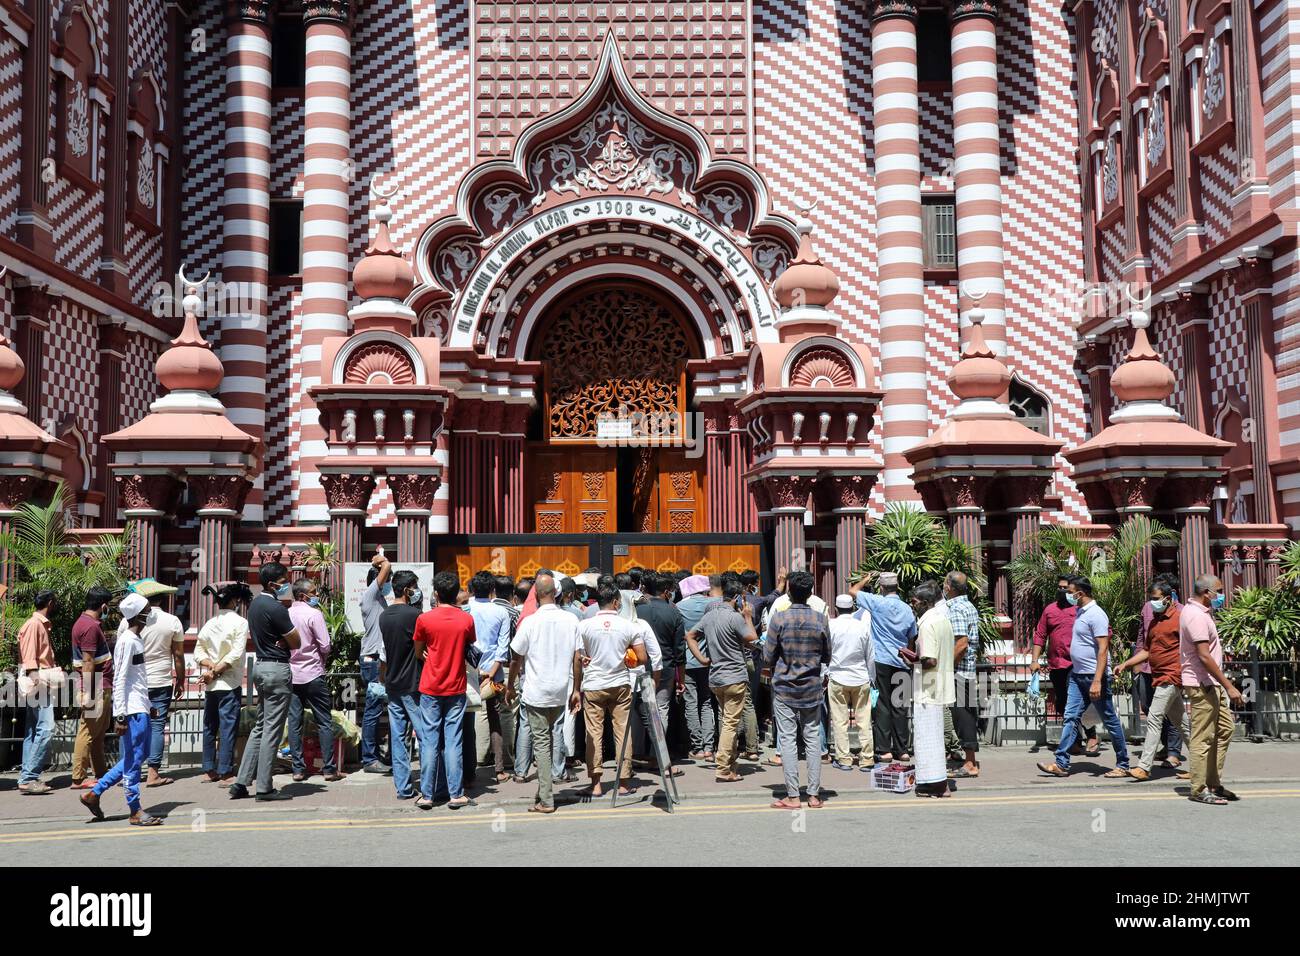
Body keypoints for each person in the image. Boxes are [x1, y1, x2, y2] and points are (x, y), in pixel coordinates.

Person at [80, 594, 162, 826]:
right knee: (134, 761)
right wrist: (121, 715)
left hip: (140, 707)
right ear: (138, 614)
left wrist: (149, 706)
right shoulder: (127, 641)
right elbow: (121, 679)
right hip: (132, 711)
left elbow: (138, 680)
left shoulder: (136, 639)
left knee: (136, 757)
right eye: (147, 609)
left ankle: (94, 793)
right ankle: (134, 810)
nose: (151, 612)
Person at [1037, 576, 1129, 779]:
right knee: (1070, 717)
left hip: (1093, 677)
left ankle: (1122, 764)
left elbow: (1103, 648)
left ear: (1080, 593)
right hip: (1077, 676)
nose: (1067, 595)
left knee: (1110, 720)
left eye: (1070, 592)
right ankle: (1061, 763)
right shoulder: (1080, 612)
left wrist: (1097, 680)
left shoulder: (1096, 614)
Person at [506, 572, 583, 814]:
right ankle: (544, 790)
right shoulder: (570, 620)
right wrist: (577, 690)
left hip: (536, 690)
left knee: (541, 743)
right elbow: (578, 658)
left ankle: (546, 799)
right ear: (557, 594)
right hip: (561, 689)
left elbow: (516, 659)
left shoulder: (529, 621)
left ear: (536, 594)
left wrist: (510, 686)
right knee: (553, 735)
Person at [230, 561, 301, 801]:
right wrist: (286, 640)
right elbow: (296, 641)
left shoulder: (255, 605)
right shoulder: (276, 607)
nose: (286, 586)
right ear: (272, 584)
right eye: (284, 582)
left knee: (260, 726)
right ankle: (264, 787)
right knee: (272, 729)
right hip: (276, 668)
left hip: (259, 666)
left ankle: (241, 782)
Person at [763, 571, 831, 809]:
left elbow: (768, 656)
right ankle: (813, 795)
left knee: (788, 740)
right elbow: (827, 655)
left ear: (789, 592)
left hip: (784, 687)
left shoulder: (779, 619)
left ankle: (793, 796)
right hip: (812, 687)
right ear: (811, 593)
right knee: (813, 740)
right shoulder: (820, 619)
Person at [576, 582, 648, 797]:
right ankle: (624, 782)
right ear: (616, 602)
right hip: (620, 684)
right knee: (622, 732)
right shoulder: (629, 626)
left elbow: (578, 658)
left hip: (593, 685)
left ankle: (596, 784)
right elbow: (643, 658)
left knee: (594, 734)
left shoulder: (584, 625)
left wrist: (576, 687)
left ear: (598, 603)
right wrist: (627, 658)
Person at [414, 570, 479, 809]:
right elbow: (469, 645)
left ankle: (427, 795)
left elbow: (418, 651)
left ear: (437, 593)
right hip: (456, 686)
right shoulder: (466, 619)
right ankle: (456, 793)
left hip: (430, 686)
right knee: (453, 741)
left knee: (430, 742)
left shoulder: (425, 619)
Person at [1180, 574, 1244, 806]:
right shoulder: (1196, 616)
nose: (1221, 595)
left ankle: (1213, 782)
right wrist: (1230, 686)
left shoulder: (1201, 613)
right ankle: (1198, 788)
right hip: (1202, 683)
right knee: (1202, 737)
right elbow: (1204, 656)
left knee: (1225, 728)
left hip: (1210, 683)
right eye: (1218, 591)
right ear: (1206, 592)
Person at [686, 575, 757, 783]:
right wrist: (748, 617)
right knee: (730, 723)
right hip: (734, 676)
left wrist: (702, 658)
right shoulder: (735, 617)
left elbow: (690, 636)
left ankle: (730, 764)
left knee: (726, 721)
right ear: (736, 598)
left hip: (716, 677)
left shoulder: (709, 616)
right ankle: (724, 767)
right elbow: (752, 638)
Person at [379, 570, 437, 807]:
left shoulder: (384, 616)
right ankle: (427, 786)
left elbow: (383, 653)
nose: (416, 591)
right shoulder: (417, 616)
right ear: (407, 590)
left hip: (393, 683)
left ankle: (403, 787)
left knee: (399, 738)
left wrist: (383, 678)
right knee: (425, 736)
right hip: (414, 683)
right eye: (414, 587)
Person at [1117, 579, 1183, 782]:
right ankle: (1203, 765)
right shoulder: (1154, 621)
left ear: (1167, 597)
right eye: (1151, 599)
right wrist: (1126, 664)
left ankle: (1144, 767)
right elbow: (1147, 650)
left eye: (1155, 599)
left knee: (1154, 718)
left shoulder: (1181, 618)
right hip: (1157, 674)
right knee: (1184, 725)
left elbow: (1192, 648)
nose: (1152, 603)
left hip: (1171, 676)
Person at [849, 571, 917, 762]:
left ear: (881, 587)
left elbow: (853, 591)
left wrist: (865, 580)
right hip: (902, 662)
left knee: (882, 705)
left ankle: (884, 749)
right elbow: (912, 636)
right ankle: (902, 750)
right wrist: (907, 655)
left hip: (881, 660)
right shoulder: (907, 609)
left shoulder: (877, 602)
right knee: (901, 706)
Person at [1031, 576, 1098, 756]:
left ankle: (1089, 734)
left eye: (1066, 589)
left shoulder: (1081, 609)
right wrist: (1035, 660)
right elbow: (1040, 635)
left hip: (1077, 664)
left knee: (1075, 703)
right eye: (1060, 588)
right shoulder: (1049, 610)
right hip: (1056, 664)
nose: (1062, 592)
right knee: (1062, 703)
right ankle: (1076, 740)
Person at [128, 579, 184, 788]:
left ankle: (129, 771)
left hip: (136, 681)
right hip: (161, 679)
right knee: (157, 725)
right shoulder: (172, 621)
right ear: (162, 599)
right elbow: (178, 655)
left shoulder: (128, 621)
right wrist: (180, 680)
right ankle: (153, 773)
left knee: (133, 726)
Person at [286, 578, 343, 782]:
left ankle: (298, 770)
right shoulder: (314, 614)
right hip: (313, 673)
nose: (316, 595)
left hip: (292, 675)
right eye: (313, 592)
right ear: (303, 595)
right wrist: (322, 659)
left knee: (295, 722)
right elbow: (325, 645)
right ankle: (328, 769)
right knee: (324, 722)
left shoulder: (286, 614)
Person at [193, 582, 250, 784]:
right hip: (230, 683)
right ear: (234, 601)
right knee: (227, 727)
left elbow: (198, 652)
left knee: (209, 726)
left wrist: (211, 669)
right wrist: (216, 670)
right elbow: (236, 653)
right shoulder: (241, 622)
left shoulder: (209, 623)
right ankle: (225, 771)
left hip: (211, 685)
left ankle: (209, 769)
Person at [467, 570, 514, 783]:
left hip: (469, 671)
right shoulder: (501, 612)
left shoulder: (466, 608)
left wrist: (478, 673)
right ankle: (499, 769)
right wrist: (491, 674)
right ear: (492, 590)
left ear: (471, 589)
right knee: (496, 719)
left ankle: (470, 768)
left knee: (467, 717)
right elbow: (502, 649)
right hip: (493, 673)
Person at [635, 572, 685, 769]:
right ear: (666, 592)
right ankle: (658, 756)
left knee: (642, 710)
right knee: (660, 710)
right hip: (665, 668)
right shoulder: (673, 612)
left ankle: (639, 753)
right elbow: (679, 649)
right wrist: (681, 677)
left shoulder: (638, 610)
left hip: (641, 666)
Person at [1133, 571, 1184, 767]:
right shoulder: (1147, 608)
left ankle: (1171, 752)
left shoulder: (1181, 613)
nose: (1153, 601)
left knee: (1160, 715)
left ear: (1168, 594)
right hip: (1147, 667)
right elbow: (1142, 636)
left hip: (1170, 671)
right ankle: (1169, 746)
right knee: (1148, 706)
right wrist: (1135, 663)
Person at [910, 580, 955, 798]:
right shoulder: (943, 619)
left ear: (926, 602)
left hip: (928, 688)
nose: (913, 604)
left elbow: (930, 661)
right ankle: (936, 783)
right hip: (940, 686)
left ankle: (935, 784)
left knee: (927, 738)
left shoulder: (927, 624)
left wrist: (911, 661)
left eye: (915, 601)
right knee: (935, 738)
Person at [69, 587, 114, 790]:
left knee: (98, 733)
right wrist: (87, 691)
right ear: (103, 605)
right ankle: (78, 777)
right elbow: (88, 661)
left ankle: (101, 773)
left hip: (99, 684)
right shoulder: (89, 627)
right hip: (95, 685)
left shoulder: (88, 624)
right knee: (88, 731)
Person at [16, 591, 58, 795]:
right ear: (50, 603)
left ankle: (27, 775)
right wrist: (36, 680)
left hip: (38, 682)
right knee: (46, 728)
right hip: (38, 683)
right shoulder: (34, 625)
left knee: (33, 730)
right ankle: (29, 777)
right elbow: (30, 656)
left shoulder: (38, 624)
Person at [827, 593, 874, 771]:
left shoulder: (831, 625)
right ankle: (867, 759)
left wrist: (826, 672)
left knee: (840, 721)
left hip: (838, 677)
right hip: (861, 677)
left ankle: (844, 759)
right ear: (853, 607)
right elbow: (870, 654)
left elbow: (827, 652)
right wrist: (872, 676)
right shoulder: (862, 626)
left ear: (836, 608)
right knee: (864, 720)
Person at [676, 573, 718, 760]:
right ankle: (709, 747)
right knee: (706, 702)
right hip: (708, 661)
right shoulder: (712, 605)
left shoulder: (679, 607)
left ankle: (697, 746)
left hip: (687, 661)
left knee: (691, 704)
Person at [944, 571, 981, 779]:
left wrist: (948, 668)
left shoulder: (957, 608)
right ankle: (968, 759)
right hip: (966, 670)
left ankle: (970, 763)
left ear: (949, 586)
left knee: (963, 715)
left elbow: (961, 644)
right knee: (964, 712)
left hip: (960, 671)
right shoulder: (968, 605)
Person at [358, 552, 392, 774]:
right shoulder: (371, 594)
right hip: (372, 660)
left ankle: (374, 755)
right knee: (372, 710)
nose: (389, 584)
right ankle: (369, 759)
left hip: (377, 659)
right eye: (387, 580)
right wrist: (382, 561)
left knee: (377, 709)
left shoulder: (379, 600)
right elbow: (385, 566)